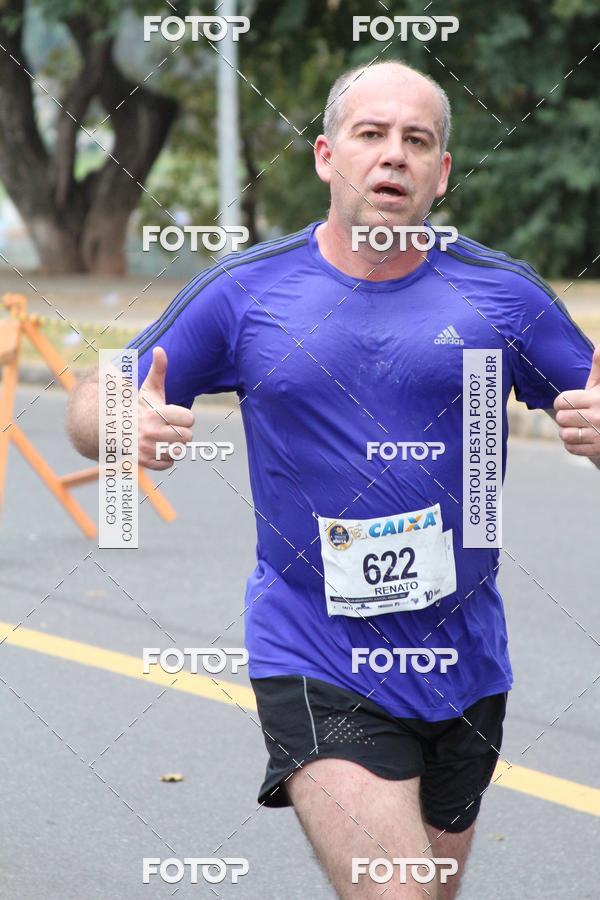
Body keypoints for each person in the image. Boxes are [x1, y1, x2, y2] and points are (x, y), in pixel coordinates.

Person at [67, 60, 600, 899]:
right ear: (325, 156)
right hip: (315, 651)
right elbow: (93, 400)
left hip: (465, 662)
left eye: (416, 141)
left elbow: (593, 396)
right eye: (371, 134)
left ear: (442, 173)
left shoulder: (503, 297)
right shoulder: (248, 292)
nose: (393, 155)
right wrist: (121, 423)